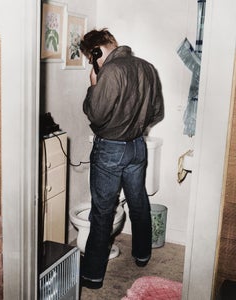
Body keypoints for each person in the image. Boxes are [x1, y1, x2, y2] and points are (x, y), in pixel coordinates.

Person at [80, 28, 164, 289]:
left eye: (92, 58)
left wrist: (94, 84)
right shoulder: (148, 68)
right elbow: (157, 112)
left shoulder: (111, 71)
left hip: (111, 150)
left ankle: (93, 276)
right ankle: (142, 255)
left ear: (96, 52)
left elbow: (95, 113)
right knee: (138, 201)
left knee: (103, 212)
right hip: (138, 147)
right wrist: (135, 127)